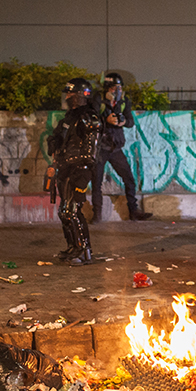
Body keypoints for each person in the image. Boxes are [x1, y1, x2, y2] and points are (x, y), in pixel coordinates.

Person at [45, 78, 102, 267]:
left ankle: (83, 250)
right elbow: (57, 138)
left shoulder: (89, 117)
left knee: (72, 211)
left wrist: (84, 171)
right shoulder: (69, 118)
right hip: (65, 168)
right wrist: (53, 143)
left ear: (79, 95)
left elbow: (91, 148)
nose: (67, 97)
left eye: (70, 93)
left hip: (78, 169)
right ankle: (73, 246)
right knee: (64, 212)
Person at [91, 73, 150, 222]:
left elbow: (130, 121)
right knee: (96, 181)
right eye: (113, 88)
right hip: (100, 148)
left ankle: (133, 211)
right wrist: (106, 120)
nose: (116, 91)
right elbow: (91, 120)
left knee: (129, 179)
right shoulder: (98, 100)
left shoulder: (123, 102)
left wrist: (122, 122)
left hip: (115, 147)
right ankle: (96, 214)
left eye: (119, 87)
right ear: (107, 88)